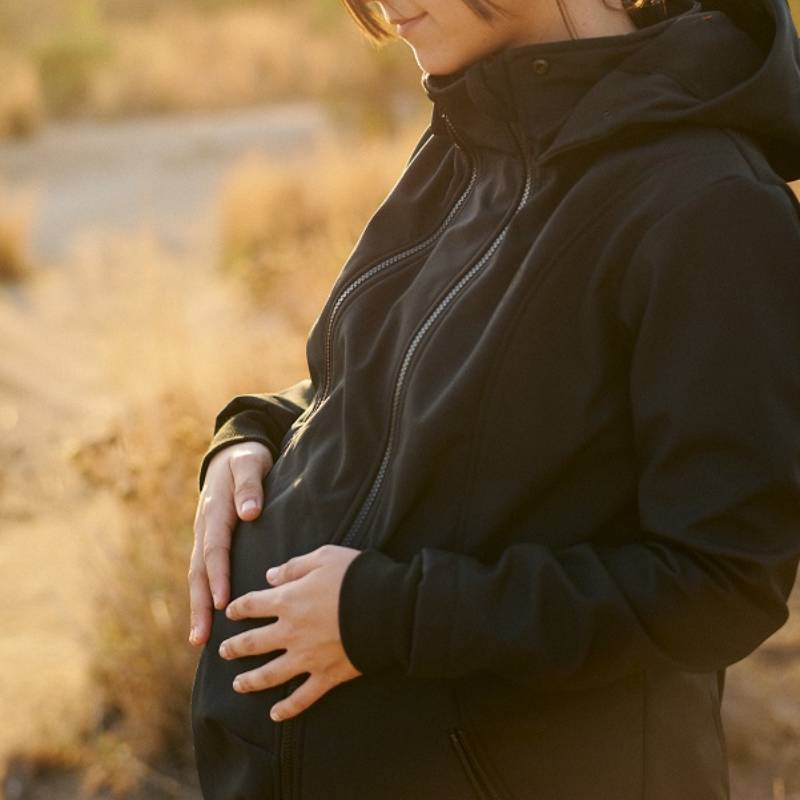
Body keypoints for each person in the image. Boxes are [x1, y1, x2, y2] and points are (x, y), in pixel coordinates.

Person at [188, 0, 800, 795]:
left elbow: (721, 582)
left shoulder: (709, 204)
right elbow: (396, 383)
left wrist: (389, 618)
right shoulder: (468, 138)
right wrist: (254, 433)